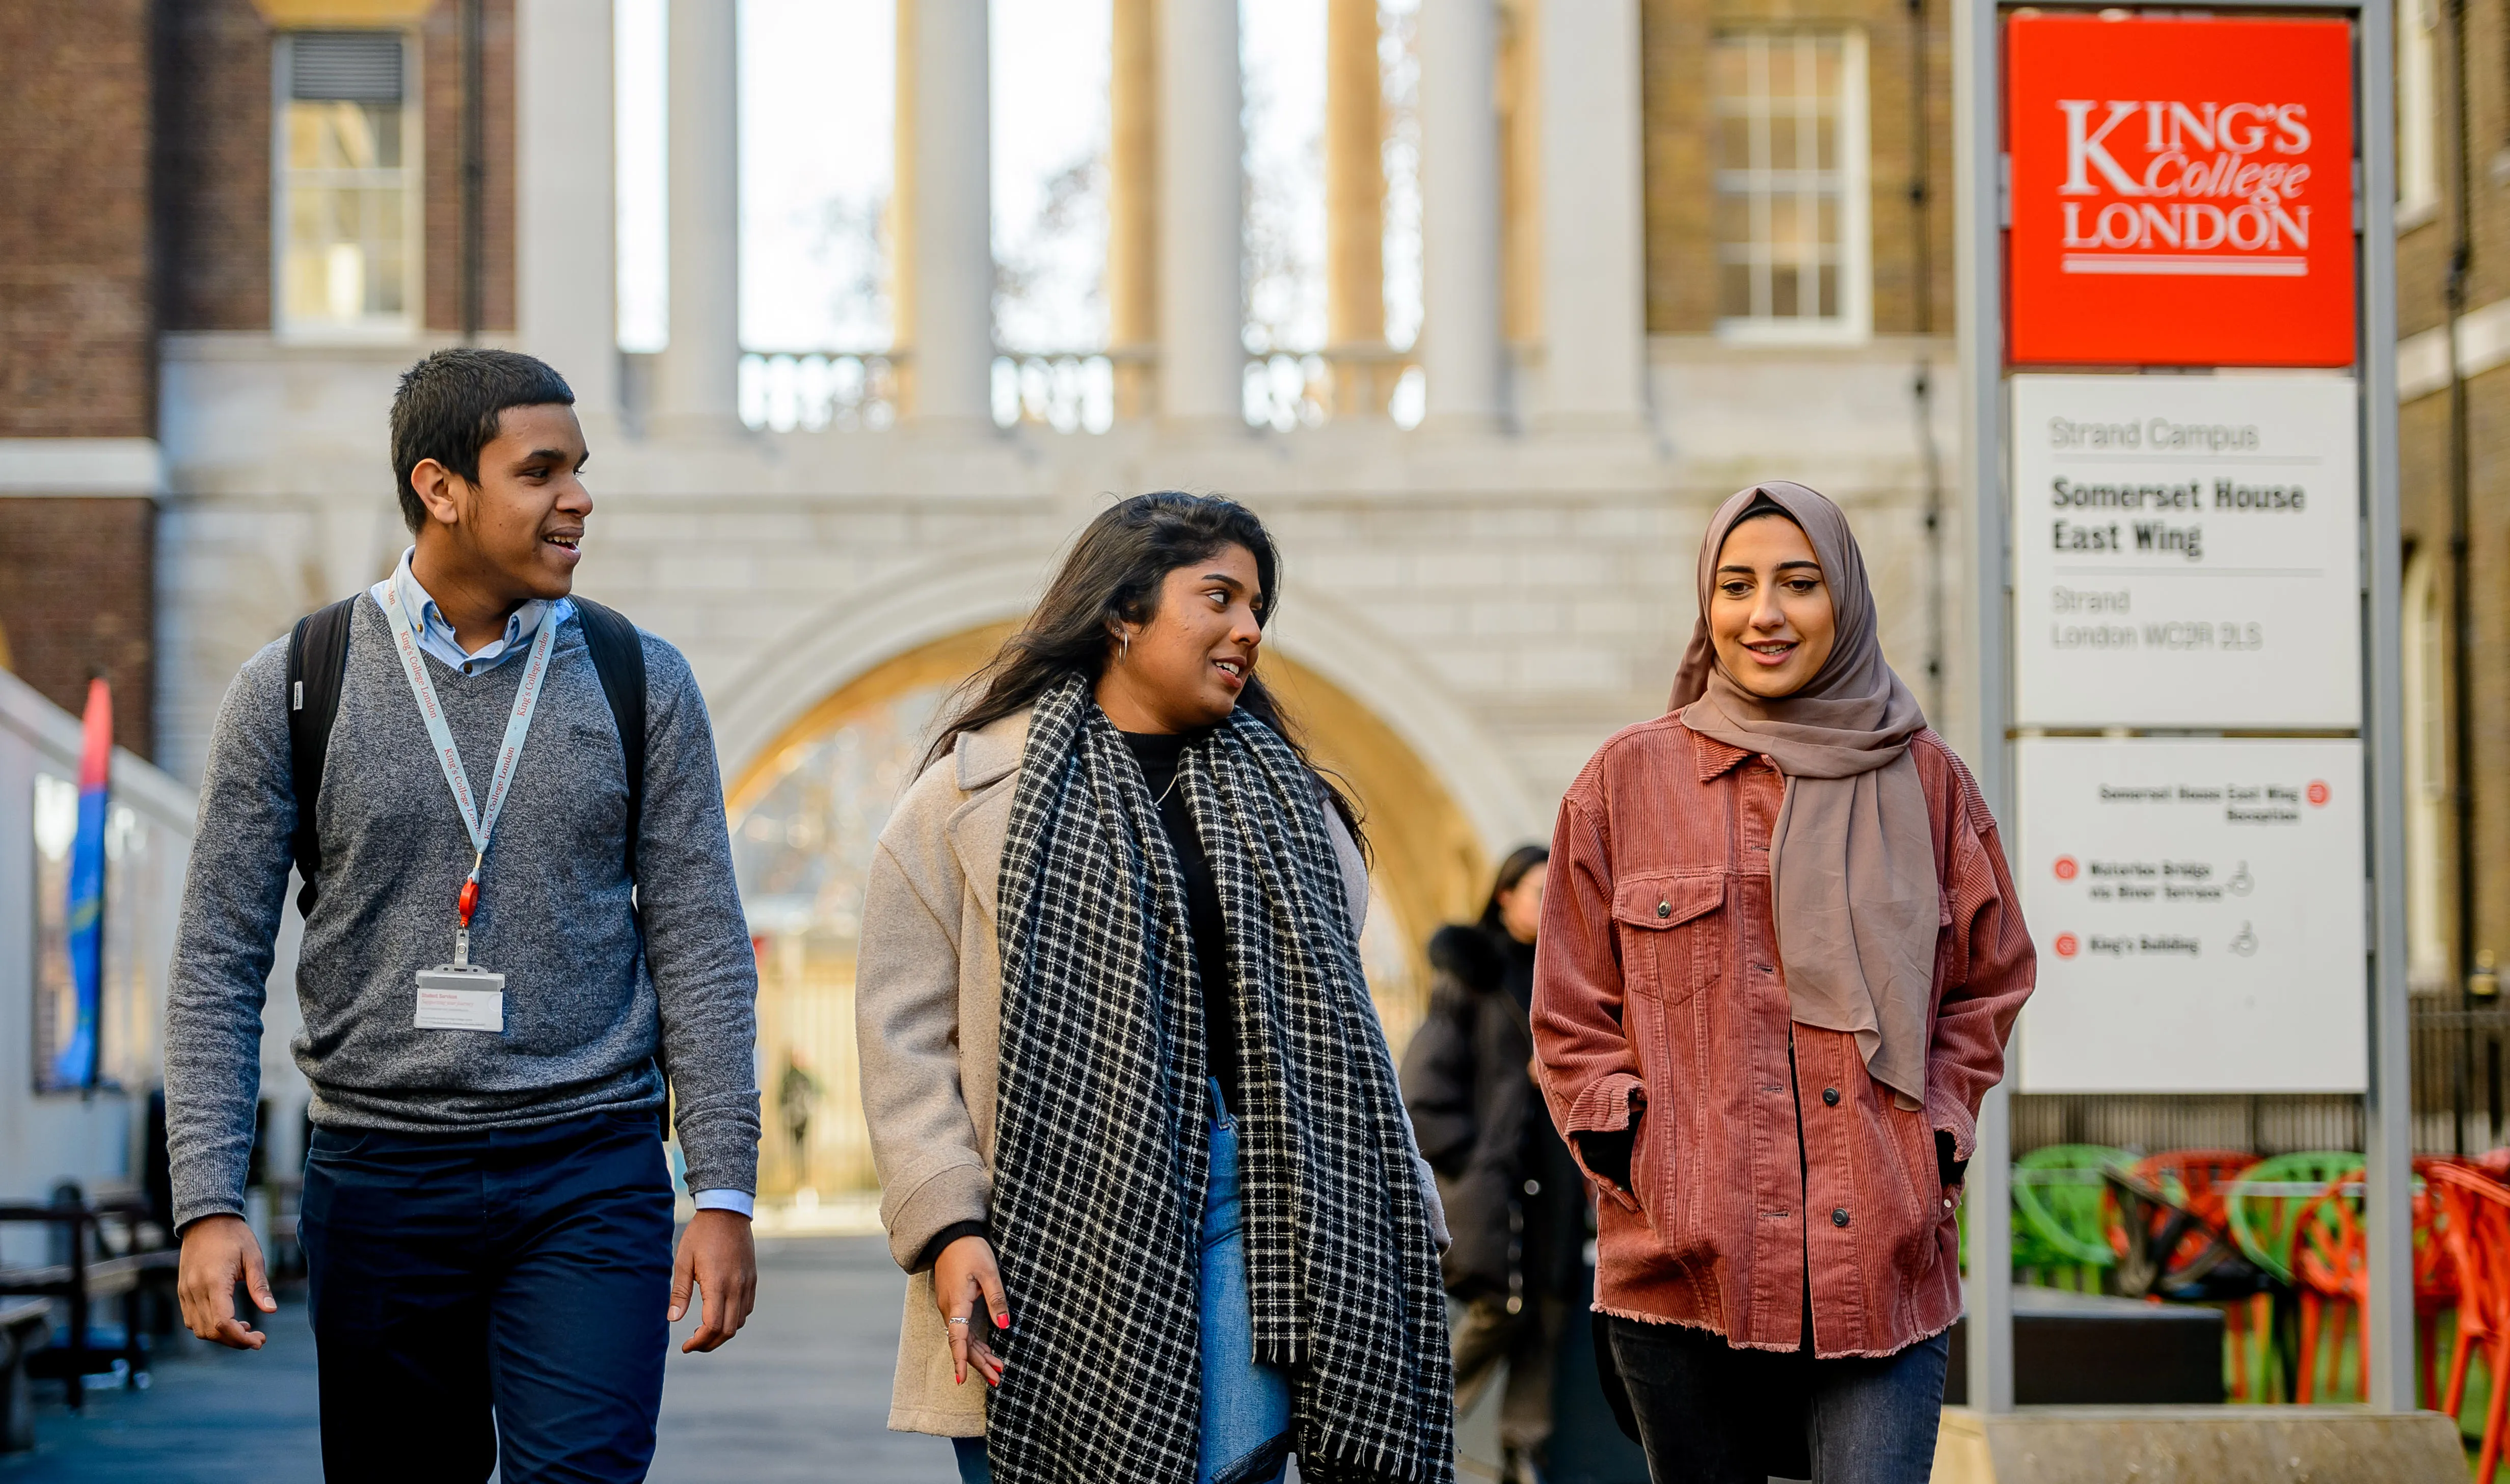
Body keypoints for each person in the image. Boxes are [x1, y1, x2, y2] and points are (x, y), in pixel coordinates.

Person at [164, 348, 762, 1482]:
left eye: (580, 469)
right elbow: (215, 961)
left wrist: (721, 1186)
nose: (578, 497)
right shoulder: (294, 683)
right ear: (441, 487)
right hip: (380, 1177)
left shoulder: (644, 680)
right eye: (541, 471)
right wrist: (209, 1198)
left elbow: (703, 945)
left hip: (591, 1170)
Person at [855, 492, 1453, 1484]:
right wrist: (947, 1222)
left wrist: (1403, 1203)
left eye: (1259, 605)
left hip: (1258, 1203)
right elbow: (902, 1038)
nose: (1248, 628)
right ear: (1121, 613)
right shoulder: (962, 798)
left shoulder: (1297, 809)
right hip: (1039, 1224)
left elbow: (1345, 1032)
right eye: (1217, 596)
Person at [1531, 482, 2034, 1484]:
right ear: (1707, 606)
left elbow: (1987, 978)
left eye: (1798, 583)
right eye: (1736, 585)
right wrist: (1628, 1144)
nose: (1764, 613)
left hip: (1882, 1266)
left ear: (1843, 597)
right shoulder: (1624, 782)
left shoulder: (1929, 781)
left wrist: (1938, 1131)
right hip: (1685, 1266)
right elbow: (1571, 1007)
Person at [1401, 847, 1581, 1484]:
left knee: (1547, 1308)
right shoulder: (1472, 975)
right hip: (1497, 1177)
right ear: (1503, 893)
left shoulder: (1571, 973)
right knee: (1500, 1307)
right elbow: (1422, 1092)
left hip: (1556, 1175)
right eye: (1536, 889)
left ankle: (1520, 1452)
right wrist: (1474, 1164)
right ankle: (1418, 1428)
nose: (1546, 902)